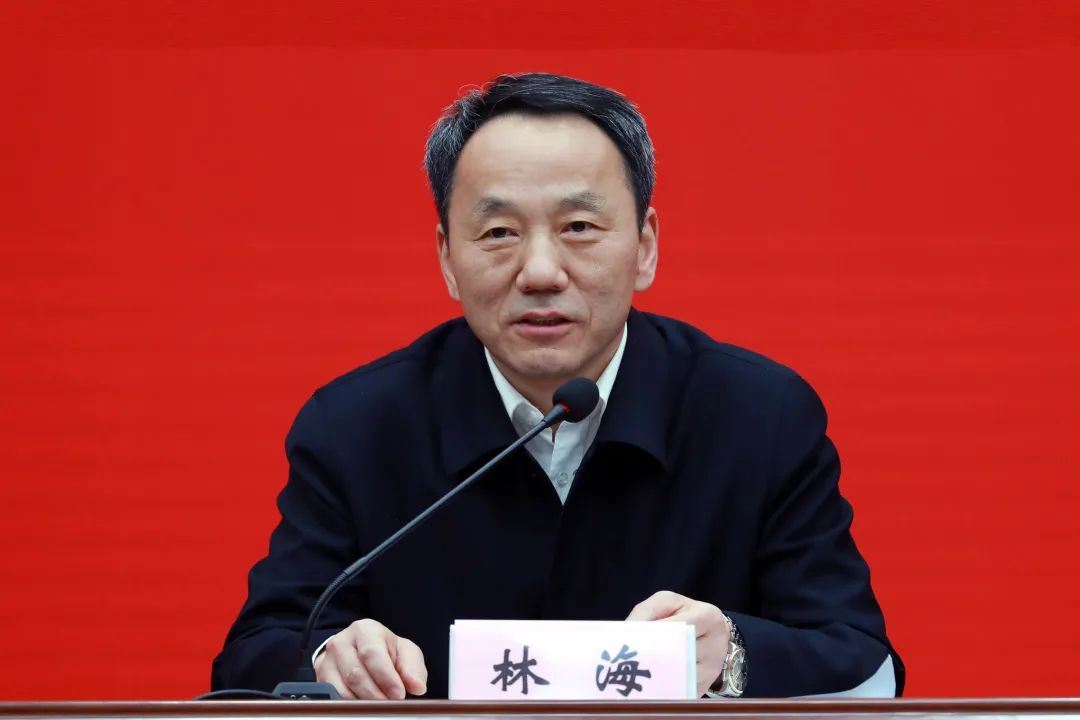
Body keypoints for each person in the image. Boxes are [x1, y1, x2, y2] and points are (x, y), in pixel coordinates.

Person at [210, 72, 904, 700]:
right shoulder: (357, 427)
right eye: (498, 232)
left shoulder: (758, 416)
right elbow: (253, 654)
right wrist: (329, 656)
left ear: (645, 246)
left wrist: (735, 654)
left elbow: (868, 667)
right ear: (447, 258)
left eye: (578, 227)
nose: (540, 271)